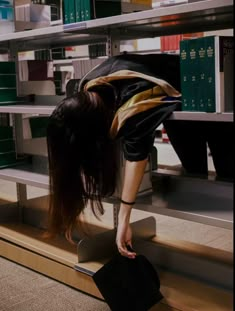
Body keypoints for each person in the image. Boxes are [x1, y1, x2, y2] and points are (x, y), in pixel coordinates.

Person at [46, 53, 181, 259]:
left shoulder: (134, 104)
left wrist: (124, 221)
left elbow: (136, 158)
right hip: (162, 92)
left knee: (214, 167)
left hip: (195, 88)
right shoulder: (86, 95)